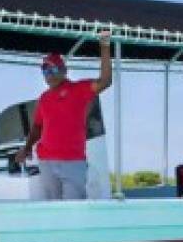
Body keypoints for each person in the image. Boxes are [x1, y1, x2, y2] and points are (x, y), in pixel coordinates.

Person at [13, 30, 113, 200]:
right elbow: (37, 126)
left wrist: (104, 45)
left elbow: (105, 81)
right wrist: (27, 147)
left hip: (73, 162)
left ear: (64, 70)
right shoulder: (44, 98)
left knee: (74, 210)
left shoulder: (79, 89)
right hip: (46, 162)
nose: (49, 74)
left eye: (52, 69)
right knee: (54, 210)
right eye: (45, 71)